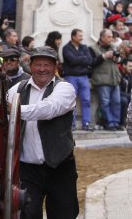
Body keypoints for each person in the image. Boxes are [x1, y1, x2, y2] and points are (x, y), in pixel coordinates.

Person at [7, 46, 79, 219]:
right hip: (27, 169)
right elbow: (4, 111)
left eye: (47, 64)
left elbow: (48, 109)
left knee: (64, 214)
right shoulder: (17, 89)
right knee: (28, 215)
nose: (42, 69)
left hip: (60, 166)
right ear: (30, 66)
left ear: (55, 67)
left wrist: (15, 109)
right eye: (38, 64)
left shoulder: (65, 88)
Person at [89, 29, 122, 131]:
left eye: (111, 37)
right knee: (105, 103)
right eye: (108, 37)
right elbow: (91, 63)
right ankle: (109, 123)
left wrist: (117, 59)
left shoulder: (114, 47)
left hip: (114, 79)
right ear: (102, 37)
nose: (111, 39)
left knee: (116, 102)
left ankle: (116, 122)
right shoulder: (92, 48)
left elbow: (119, 60)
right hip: (102, 80)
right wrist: (104, 56)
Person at [62, 29, 94, 131]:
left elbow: (90, 60)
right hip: (71, 76)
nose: (82, 38)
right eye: (79, 36)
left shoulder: (84, 47)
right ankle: (71, 124)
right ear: (73, 37)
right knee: (71, 101)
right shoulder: (66, 48)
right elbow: (71, 61)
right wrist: (82, 59)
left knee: (86, 100)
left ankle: (86, 123)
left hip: (84, 77)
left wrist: (78, 59)